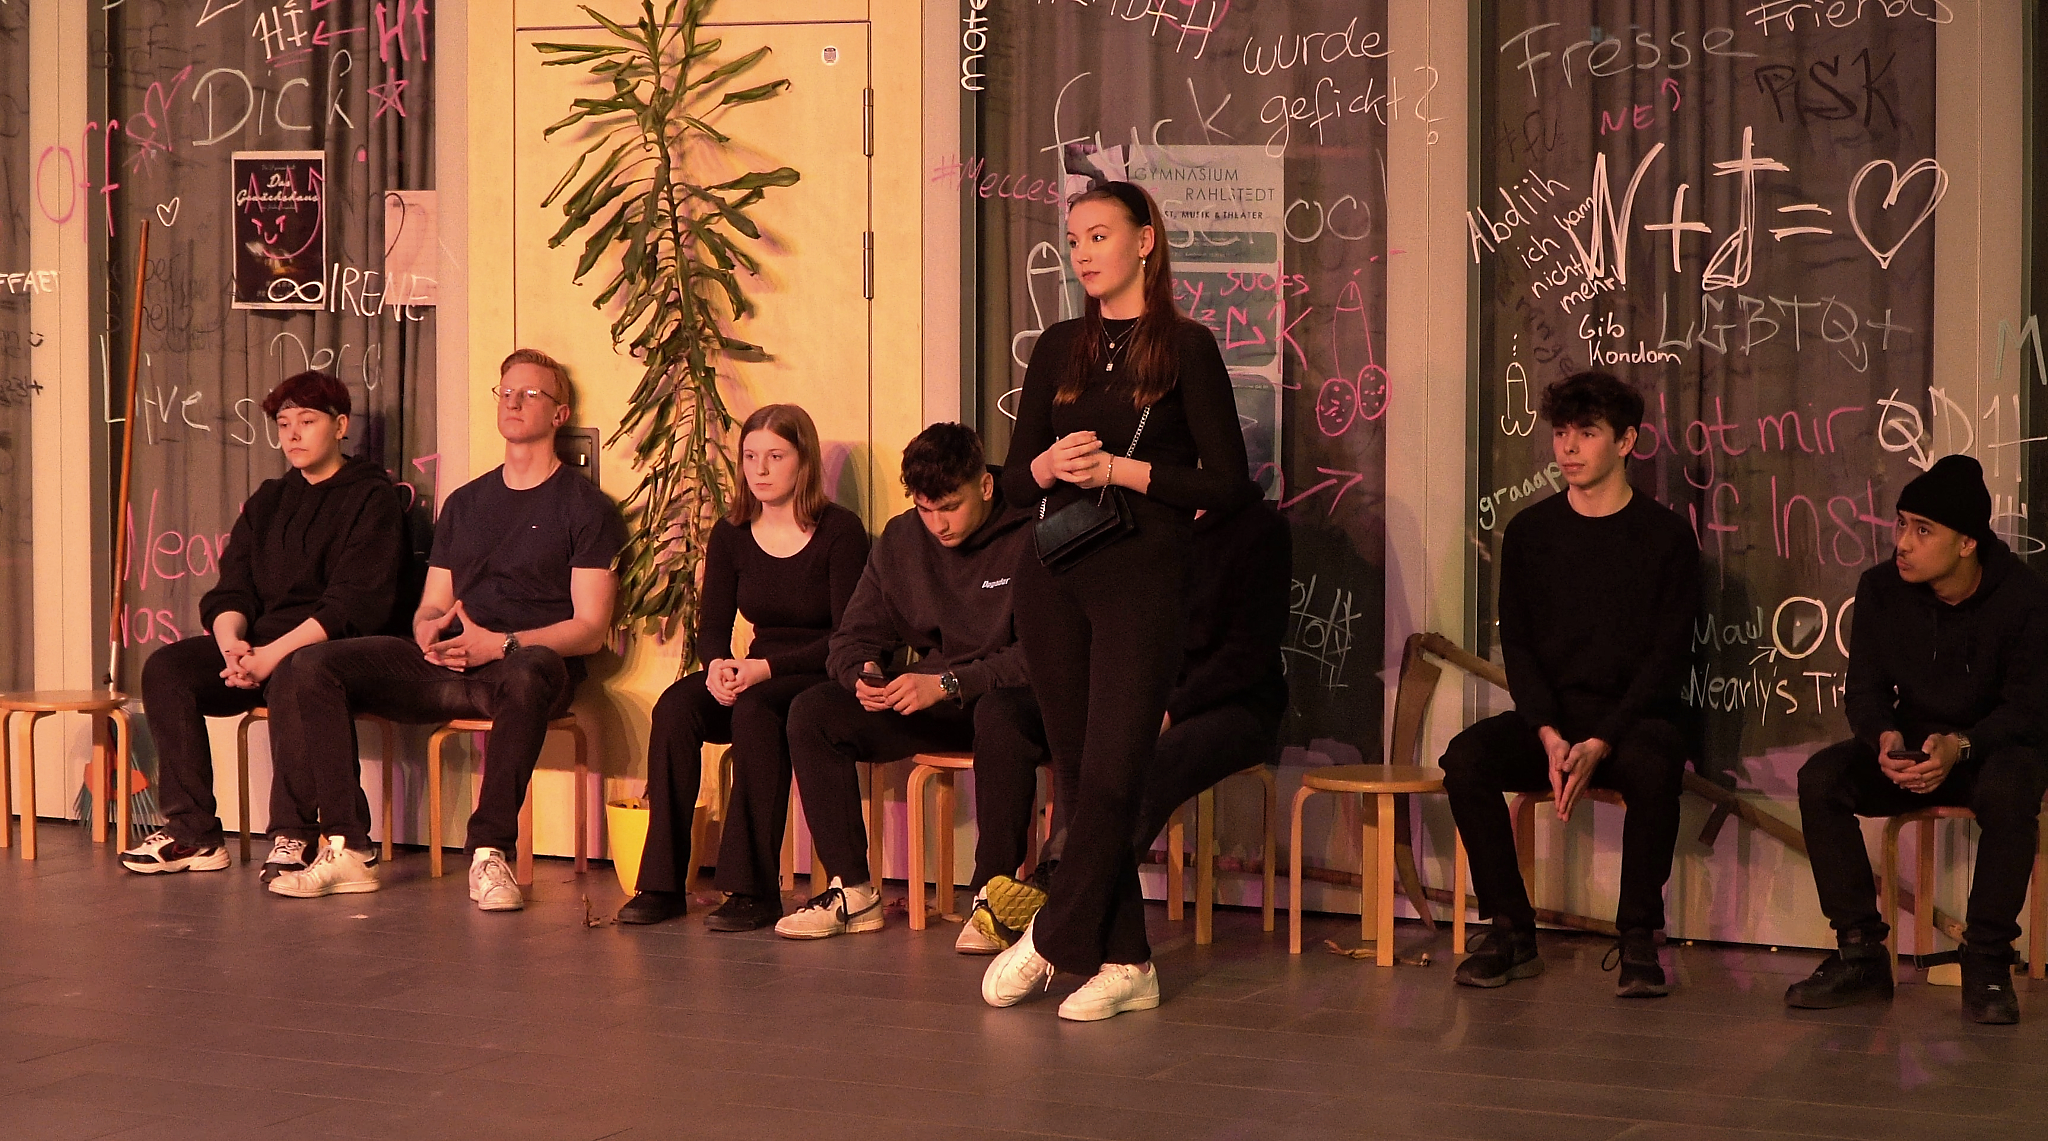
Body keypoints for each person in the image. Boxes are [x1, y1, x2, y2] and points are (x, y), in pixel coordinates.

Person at [981, 181, 1255, 1022]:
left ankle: (1055, 933)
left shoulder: (1187, 347)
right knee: (1076, 773)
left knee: (1114, 772)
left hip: (1143, 577)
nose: (1084, 253)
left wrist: (1121, 470)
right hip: (1055, 575)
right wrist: (1049, 467)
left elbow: (1229, 484)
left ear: (1145, 241)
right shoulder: (1059, 346)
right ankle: (1128, 959)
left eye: (1100, 235)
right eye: (1074, 240)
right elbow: (1011, 481)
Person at [265, 349, 624, 909]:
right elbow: (433, 603)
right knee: (312, 663)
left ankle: (489, 854)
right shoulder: (466, 502)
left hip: (525, 669)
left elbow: (590, 629)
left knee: (529, 670)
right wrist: (430, 630)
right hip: (451, 665)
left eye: (531, 393)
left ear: (559, 414)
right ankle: (347, 847)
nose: (514, 401)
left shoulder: (584, 506)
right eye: (506, 391)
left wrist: (501, 644)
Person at [1439, 371, 1699, 998]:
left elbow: (1667, 657)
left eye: (1587, 433)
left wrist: (1602, 740)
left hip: (1633, 720)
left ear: (1626, 441)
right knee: (1466, 758)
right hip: (1556, 719)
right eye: (1561, 433)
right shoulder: (1531, 532)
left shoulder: (1666, 537)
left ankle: (1638, 936)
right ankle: (1511, 929)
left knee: (1656, 763)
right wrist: (1549, 734)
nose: (1570, 448)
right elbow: (1520, 646)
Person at [1787, 454, 2048, 1025]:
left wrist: (1961, 746)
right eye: (1902, 524)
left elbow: (2029, 710)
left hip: (1991, 749)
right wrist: (1883, 738)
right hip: (1915, 748)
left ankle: (1986, 960)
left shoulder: (2024, 596)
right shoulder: (1881, 588)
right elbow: (1865, 692)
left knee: (2013, 788)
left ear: (1967, 543)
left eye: (1922, 530)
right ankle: (1860, 953)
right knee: (1821, 778)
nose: (1902, 543)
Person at [966, 498, 1290, 955]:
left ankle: (1063, 891)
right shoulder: (1123, 512)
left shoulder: (1257, 527)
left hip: (1227, 703)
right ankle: (991, 890)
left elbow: (1247, 654)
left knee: (1135, 760)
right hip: (1129, 689)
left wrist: (1165, 710)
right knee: (1003, 713)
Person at [121, 371, 406, 876]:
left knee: (297, 668)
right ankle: (193, 832)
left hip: (330, 649)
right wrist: (232, 644)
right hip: (260, 647)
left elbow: (353, 604)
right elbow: (233, 588)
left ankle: (296, 833)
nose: (293, 434)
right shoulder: (270, 499)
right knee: (167, 668)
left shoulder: (371, 497)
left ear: (340, 426)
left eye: (307, 421)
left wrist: (270, 656)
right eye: (283, 423)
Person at [773, 423, 1042, 939]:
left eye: (950, 507)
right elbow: (852, 637)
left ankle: (992, 898)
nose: (938, 524)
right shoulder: (901, 539)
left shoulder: (1031, 529)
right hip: (933, 700)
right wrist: (864, 674)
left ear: (985, 486)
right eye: (925, 509)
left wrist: (948, 683)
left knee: (999, 715)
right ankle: (853, 892)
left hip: (1011, 699)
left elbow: (1042, 655)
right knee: (813, 712)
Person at [613, 404, 869, 929]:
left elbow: (846, 636)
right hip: (756, 672)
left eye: (775, 456)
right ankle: (661, 883)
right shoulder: (731, 533)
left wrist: (764, 670)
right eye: (750, 457)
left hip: (819, 674)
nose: (760, 469)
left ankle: (754, 890)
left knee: (755, 709)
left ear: (804, 461)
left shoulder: (840, 531)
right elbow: (712, 625)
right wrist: (716, 666)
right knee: (677, 707)